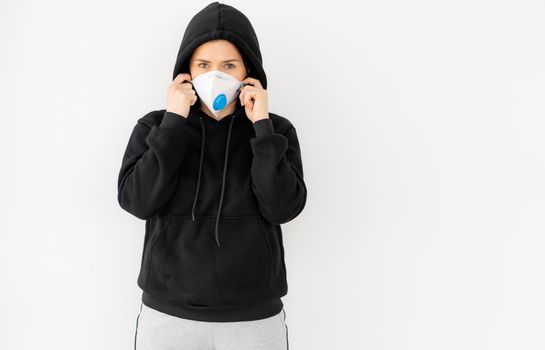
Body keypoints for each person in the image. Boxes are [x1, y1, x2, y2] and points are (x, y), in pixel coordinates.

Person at [117, 2, 307, 349]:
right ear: (186, 70)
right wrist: (173, 123)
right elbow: (137, 201)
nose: (215, 74)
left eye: (229, 65)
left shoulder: (275, 131)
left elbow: (283, 208)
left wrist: (262, 128)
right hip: (168, 315)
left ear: (248, 71)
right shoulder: (155, 127)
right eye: (203, 64)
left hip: (254, 319)